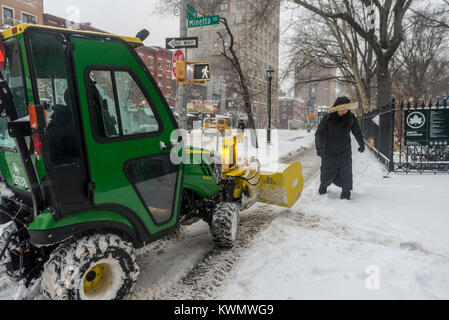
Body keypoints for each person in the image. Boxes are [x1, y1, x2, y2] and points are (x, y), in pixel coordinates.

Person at [315, 97, 366, 200]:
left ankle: (346, 192)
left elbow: (356, 131)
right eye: (342, 109)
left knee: (346, 171)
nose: (344, 111)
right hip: (329, 151)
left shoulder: (351, 117)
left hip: (344, 150)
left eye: (346, 109)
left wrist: (361, 143)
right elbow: (319, 133)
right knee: (327, 171)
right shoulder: (328, 117)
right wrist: (320, 148)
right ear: (336, 108)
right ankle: (323, 185)